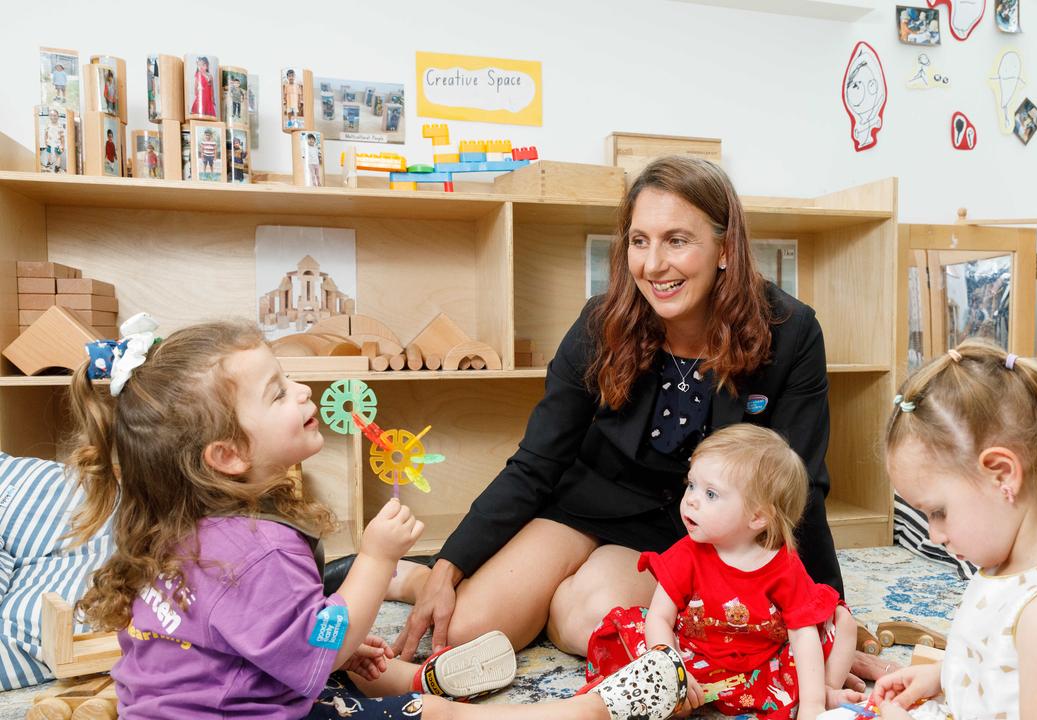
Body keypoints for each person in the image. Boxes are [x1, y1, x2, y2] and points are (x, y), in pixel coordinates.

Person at [378, 156, 891, 685]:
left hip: (691, 530)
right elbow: (535, 462)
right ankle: (421, 576)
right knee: (465, 630)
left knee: (585, 616)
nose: (653, 265)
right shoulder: (601, 322)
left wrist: (825, 614)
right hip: (587, 506)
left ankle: (546, 591)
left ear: (726, 248)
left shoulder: (792, 332)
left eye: (676, 240)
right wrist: (449, 567)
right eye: (639, 241)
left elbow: (800, 487)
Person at [68, 318, 517, 718]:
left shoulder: (179, 529)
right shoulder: (259, 551)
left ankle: (414, 677)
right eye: (278, 392)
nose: (302, 391)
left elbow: (244, 628)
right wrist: (377, 558)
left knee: (348, 668)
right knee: (427, 713)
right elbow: (325, 644)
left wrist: (324, 648)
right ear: (229, 454)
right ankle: (571, 713)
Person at [868, 341, 1037, 718]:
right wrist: (944, 675)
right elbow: (1005, 667)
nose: (932, 535)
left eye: (938, 512)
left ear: (1002, 475)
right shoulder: (1003, 567)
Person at [585, 424, 865, 719]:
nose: (691, 499)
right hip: (694, 659)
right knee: (630, 631)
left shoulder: (783, 565)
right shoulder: (687, 553)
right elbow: (659, 617)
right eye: (691, 485)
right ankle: (677, 692)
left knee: (841, 621)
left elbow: (802, 636)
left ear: (758, 516)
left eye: (710, 494)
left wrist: (811, 706)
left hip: (764, 666)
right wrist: (672, 669)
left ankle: (825, 689)